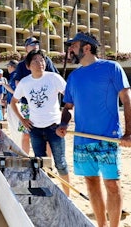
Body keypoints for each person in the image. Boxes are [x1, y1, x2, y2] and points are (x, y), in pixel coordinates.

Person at [56, 32, 131, 227]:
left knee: (112, 185)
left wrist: (129, 132)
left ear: (87, 48)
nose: (70, 49)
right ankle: (101, 225)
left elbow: (126, 99)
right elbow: (68, 107)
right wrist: (63, 124)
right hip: (82, 141)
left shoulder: (111, 68)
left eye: (74, 45)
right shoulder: (74, 77)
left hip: (108, 138)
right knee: (91, 183)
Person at [10, 49, 70, 196]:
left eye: (41, 60)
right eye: (35, 61)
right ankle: (46, 193)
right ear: (28, 66)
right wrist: (22, 119)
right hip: (35, 129)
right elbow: (13, 102)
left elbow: (69, 97)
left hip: (55, 127)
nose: (40, 63)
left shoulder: (54, 78)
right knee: (40, 163)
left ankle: (68, 196)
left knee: (61, 163)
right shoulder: (25, 82)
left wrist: (64, 122)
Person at [14, 36, 59, 154]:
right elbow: (17, 82)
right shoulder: (21, 65)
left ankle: (49, 163)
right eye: (32, 44)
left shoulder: (46, 60)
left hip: (46, 105)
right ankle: (25, 158)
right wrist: (28, 90)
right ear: (26, 48)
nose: (35, 46)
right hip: (27, 104)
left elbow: (55, 78)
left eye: (36, 44)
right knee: (26, 135)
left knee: (49, 137)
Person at [1, 60, 22, 146]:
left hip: (16, 104)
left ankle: (18, 144)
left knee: (15, 125)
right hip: (11, 103)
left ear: (12, 66)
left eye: (8, 66)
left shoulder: (15, 76)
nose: (7, 68)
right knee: (13, 125)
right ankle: (16, 143)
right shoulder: (13, 76)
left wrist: (3, 84)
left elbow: (14, 92)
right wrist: (5, 98)